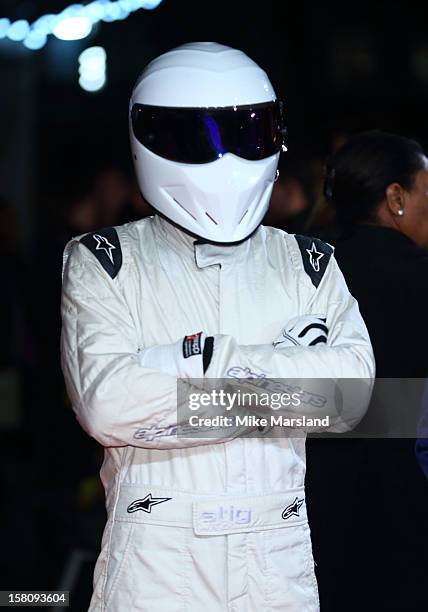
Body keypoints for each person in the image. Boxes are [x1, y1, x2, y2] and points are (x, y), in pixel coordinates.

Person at [60, 43, 374, 611]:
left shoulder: (308, 262)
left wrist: (177, 364)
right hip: (154, 559)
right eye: (199, 138)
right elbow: (108, 408)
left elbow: (350, 400)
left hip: (276, 557)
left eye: (244, 134)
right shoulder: (107, 261)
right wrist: (281, 361)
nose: (225, 158)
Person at [306, 130, 428, 611]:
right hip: (407, 515)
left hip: (309, 514)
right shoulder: (420, 278)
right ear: (395, 197)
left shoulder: (302, 270)